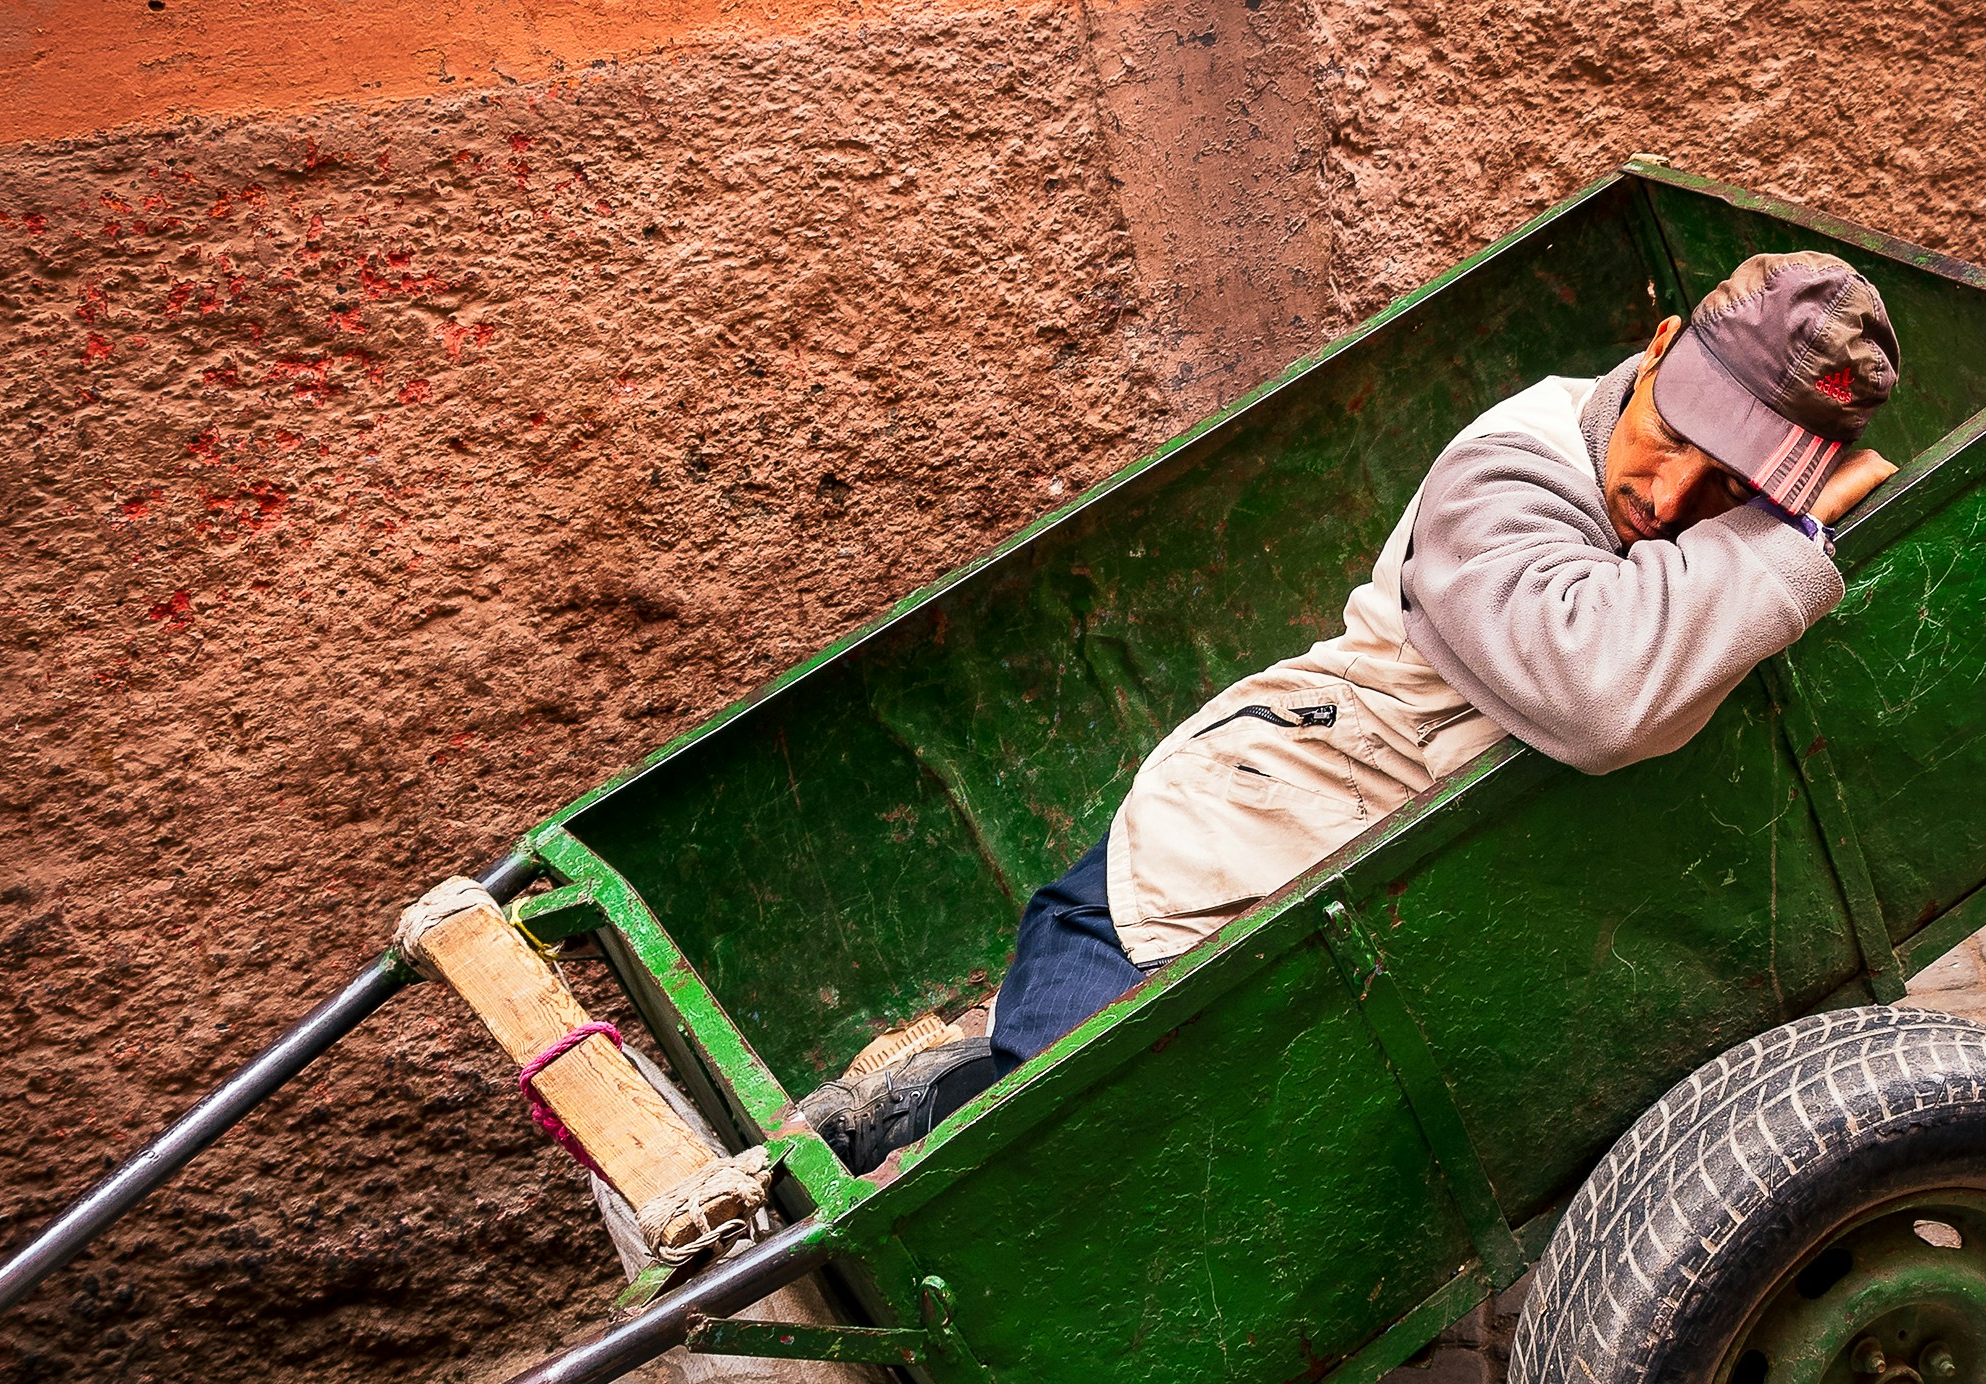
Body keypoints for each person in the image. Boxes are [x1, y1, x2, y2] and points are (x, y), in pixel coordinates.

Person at [805, 250, 1902, 1172]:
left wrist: (1770, 518)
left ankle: (971, 1069)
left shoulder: (1679, 509)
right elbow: (1604, 698)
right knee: (1074, 1149)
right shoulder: (1506, 470)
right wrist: (1778, 535)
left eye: (1730, 484)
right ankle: (928, 1094)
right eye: (1674, 438)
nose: (1668, 501)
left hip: (1329, 890)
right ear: (1656, 347)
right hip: (1206, 867)